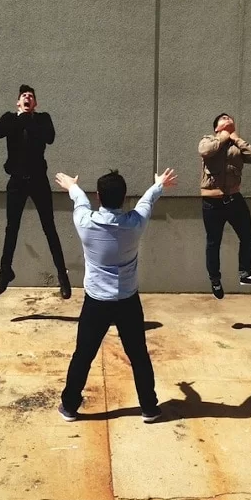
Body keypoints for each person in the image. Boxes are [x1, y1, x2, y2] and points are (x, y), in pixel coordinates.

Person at [54, 167, 178, 423]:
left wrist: (72, 186)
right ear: (123, 197)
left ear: (99, 196)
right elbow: (146, 202)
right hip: (127, 301)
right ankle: (149, 408)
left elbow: (80, 202)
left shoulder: (85, 222)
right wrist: (158, 185)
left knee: (83, 355)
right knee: (138, 355)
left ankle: (69, 406)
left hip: (96, 302)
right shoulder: (135, 223)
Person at [0, 84, 71, 299]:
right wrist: (21, 118)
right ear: (18, 102)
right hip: (17, 182)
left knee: (49, 227)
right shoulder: (10, 118)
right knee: (12, 228)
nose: (27, 97)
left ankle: (62, 276)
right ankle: (5, 272)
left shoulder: (42, 119)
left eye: (31, 96)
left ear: (35, 103)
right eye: (24, 96)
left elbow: (49, 137)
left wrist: (27, 119)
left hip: (38, 181)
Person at [198, 112, 251, 299]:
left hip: (234, 199)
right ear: (216, 127)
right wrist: (224, 136)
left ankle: (245, 273)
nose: (227, 118)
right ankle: (215, 280)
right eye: (223, 118)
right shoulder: (208, 140)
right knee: (213, 242)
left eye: (229, 118)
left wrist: (236, 139)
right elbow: (205, 151)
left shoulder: (237, 145)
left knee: (247, 236)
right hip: (212, 202)